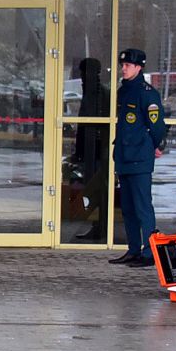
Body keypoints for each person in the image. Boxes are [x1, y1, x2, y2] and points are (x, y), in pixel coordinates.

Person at [109, 47, 166, 267]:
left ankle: (149, 252)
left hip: (140, 159)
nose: (123, 69)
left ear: (139, 67)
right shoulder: (123, 91)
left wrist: (153, 145)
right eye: (122, 65)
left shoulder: (146, 92)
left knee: (143, 207)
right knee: (128, 209)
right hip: (124, 157)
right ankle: (133, 250)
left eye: (128, 65)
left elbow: (158, 125)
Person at [73, 56, 109, 242]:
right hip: (90, 150)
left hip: (96, 151)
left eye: (84, 73)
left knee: (97, 192)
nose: (81, 77)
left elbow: (99, 126)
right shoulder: (90, 93)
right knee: (93, 190)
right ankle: (98, 227)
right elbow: (83, 125)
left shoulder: (99, 94)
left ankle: (101, 228)